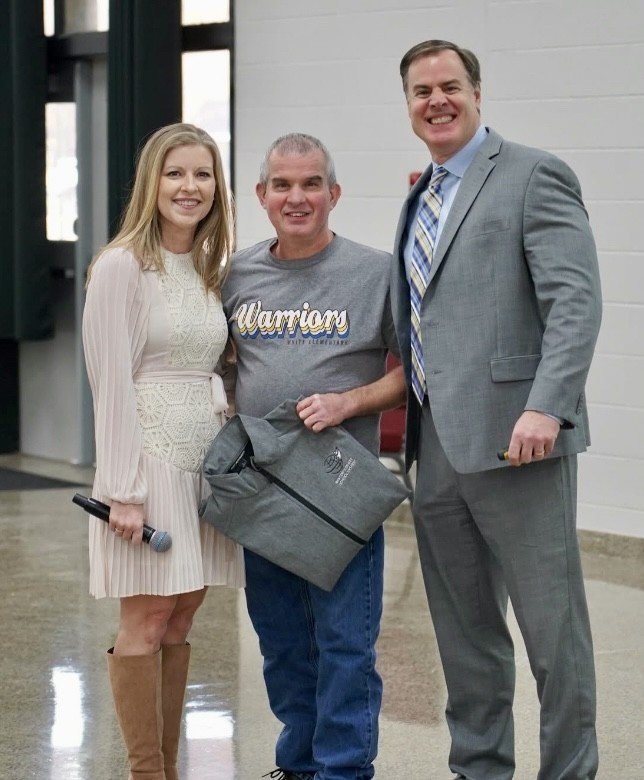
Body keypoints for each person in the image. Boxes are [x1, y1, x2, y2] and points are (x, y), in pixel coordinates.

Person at [391, 40, 602, 779]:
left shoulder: (532, 174)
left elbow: (574, 303)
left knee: (554, 635)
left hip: (522, 441)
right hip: (437, 444)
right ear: (409, 104)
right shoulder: (422, 191)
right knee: (465, 633)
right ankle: (479, 769)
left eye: (450, 86)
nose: (437, 100)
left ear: (478, 93)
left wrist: (548, 407)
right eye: (422, 91)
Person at [222, 133, 405, 780]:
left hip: (340, 494)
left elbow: (416, 372)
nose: (295, 197)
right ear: (262, 195)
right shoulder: (237, 274)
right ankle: (298, 765)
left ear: (333, 193)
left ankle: (343, 771)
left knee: (345, 645)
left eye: (309, 185)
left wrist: (348, 402)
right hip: (262, 494)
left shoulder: (375, 272)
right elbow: (216, 365)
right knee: (282, 646)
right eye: (282, 185)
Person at [82, 123, 244, 780]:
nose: (190, 186)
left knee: (182, 613)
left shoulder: (209, 268)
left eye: (203, 174)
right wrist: (122, 487)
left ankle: (169, 768)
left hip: (203, 467)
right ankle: (146, 773)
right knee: (147, 617)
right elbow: (110, 380)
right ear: (152, 182)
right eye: (176, 173)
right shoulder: (121, 265)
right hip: (147, 464)